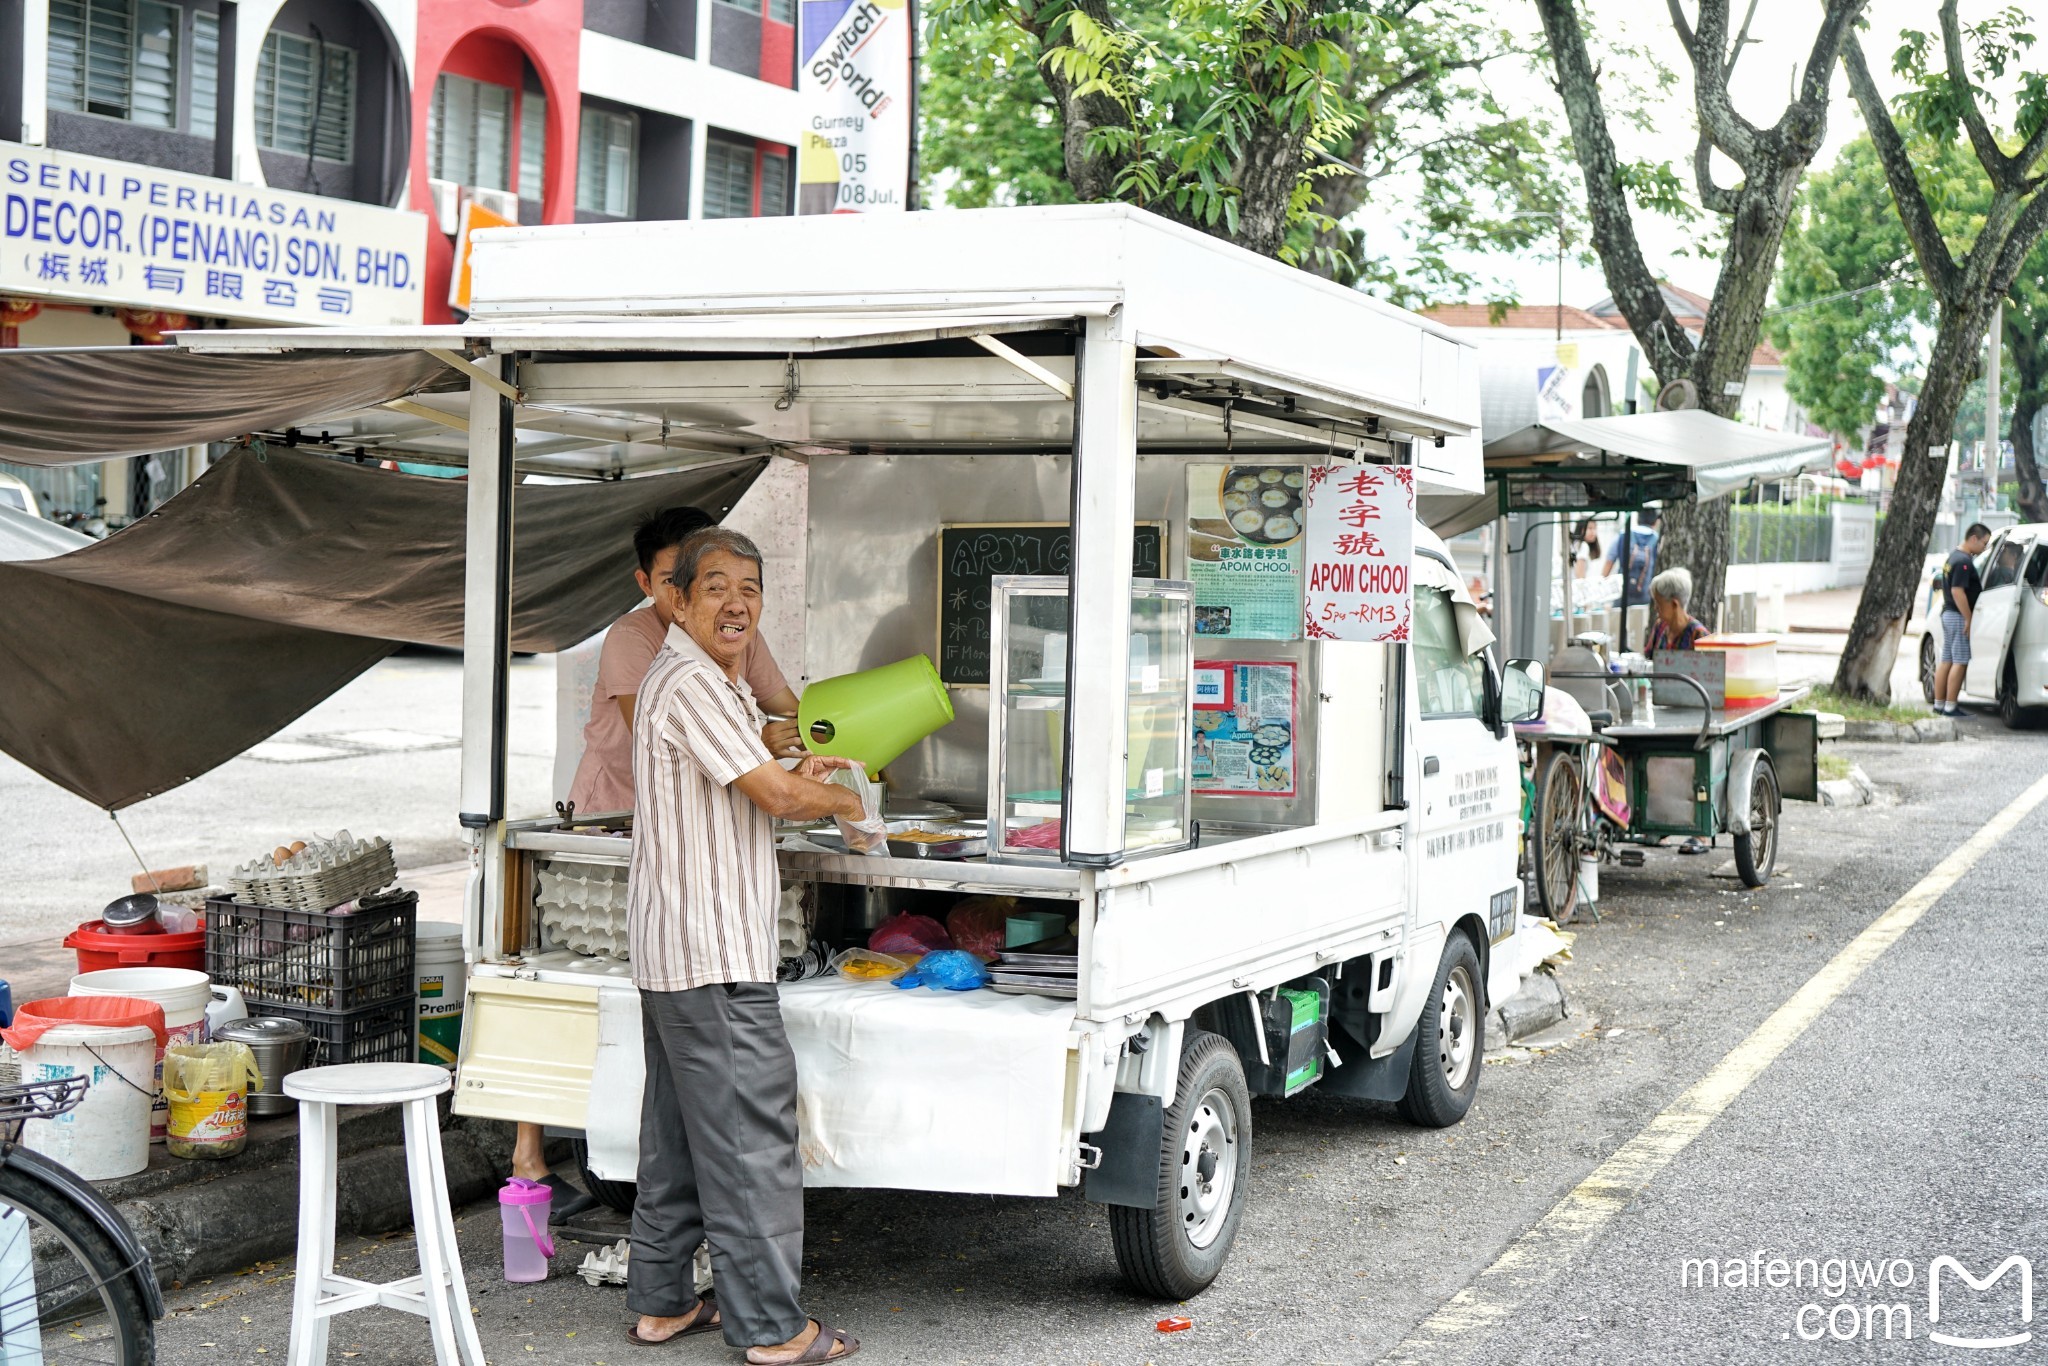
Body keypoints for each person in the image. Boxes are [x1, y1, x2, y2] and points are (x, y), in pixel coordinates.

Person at [507, 507, 806, 1197]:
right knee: (576, 976)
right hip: (614, 815)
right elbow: (665, 739)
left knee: (671, 1087)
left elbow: (787, 712)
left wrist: (793, 738)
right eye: (689, 581)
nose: (720, 599)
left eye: (740, 585)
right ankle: (529, 1146)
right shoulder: (640, 644)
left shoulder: (733, 633)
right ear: (656, 585)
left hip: (695, 836)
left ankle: (668, 1280)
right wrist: (772, 759)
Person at [626, 527, 863, 1362]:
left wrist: (793, 748)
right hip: (712, 952)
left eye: (751, 589)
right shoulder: (689, 679)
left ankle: (661, 1302)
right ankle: (771, 1327)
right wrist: (848, 805)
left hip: (676, 951)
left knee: (682, 1137)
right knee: (752, 1141)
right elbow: (768, 793)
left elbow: (753, 751)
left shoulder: (703, 681)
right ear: (676, 600)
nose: (737, 604)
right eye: (716, 587)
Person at [1933, 523, 1991, 718]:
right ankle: (1950, 707)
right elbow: (1958, 592)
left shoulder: (1953, 557)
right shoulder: (1963, 561)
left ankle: (1939, 704)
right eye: (1984, 543)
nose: (1984, 547)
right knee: (1960, 661)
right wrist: (1969, 618)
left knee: (1947, 660)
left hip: (1948, 613)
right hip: (1957, 616)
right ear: (1973, 538)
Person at [1644, 566, 1710, 653]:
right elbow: (1648, 659)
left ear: (1674, 604)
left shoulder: (1698, 635)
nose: (1656, 608)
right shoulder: (1660, 626)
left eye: (1659, 604)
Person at [1606, 507, 1660, 607]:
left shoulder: (1623, 535)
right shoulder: (1657, 539)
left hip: (1621, 595)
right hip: (1645, 597)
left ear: (1637, 519)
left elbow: (1609, 562)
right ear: (1655, 521)